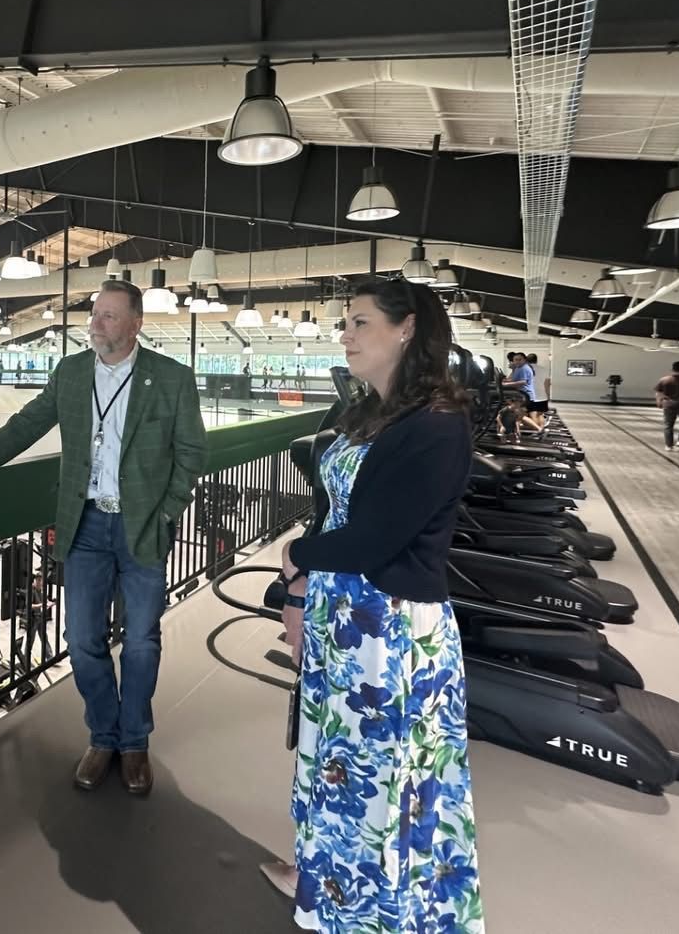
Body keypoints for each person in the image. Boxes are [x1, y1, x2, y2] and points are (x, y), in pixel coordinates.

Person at [0, 279, 206, 796]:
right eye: (94, 313)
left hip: (142, 525)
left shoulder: (171, 378)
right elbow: (26, 424)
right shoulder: (72, 372)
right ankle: (104, 736)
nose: (94, 323)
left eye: (107, 316)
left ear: (134, 325)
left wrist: (167, 513)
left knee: (143, 642)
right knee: (82, 642)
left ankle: (134, 744)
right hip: (85, 524)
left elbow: (191, 452)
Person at [278, 278, 482, 933]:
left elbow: (373, 539)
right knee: (338, 766)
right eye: (346, 322)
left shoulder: (436, 426)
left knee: (385, 782)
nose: (346, 334)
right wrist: (302, 590)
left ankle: (373, 915)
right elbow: (333, 510)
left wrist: (297, 560)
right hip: (348, 623)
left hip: (390, 635)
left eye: (360, 322)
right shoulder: (372, 412)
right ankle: (321, 883)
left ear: (406, 329)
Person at [20, 572, 53, 669]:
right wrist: (41, 605)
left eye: (41, 580)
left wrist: (50, 604)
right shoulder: (31, 591)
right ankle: (25, 660)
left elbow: (45, 601)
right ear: (34, 581)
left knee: (44, 637)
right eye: (38, 580)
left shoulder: (42, 590)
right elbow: (29, 605)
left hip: (40, 617)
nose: (39, 582)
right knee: (30, 640)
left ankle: (50, 657)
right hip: (33, 618)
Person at [503, 351, 542, 428]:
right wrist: (506, 381)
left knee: (519, 415)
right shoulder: (519, 368)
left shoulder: (524, 368)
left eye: (519, 359)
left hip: (524, 395)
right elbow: (515, 379)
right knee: (522, 414)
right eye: (515, 360)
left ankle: (539, 429)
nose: (517, 361)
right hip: (523, 394)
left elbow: (523, 382)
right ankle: (538, 428)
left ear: (524, 360)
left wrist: (506, 384)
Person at [526, 352, 550, 421]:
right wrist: (547, 396)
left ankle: (535, 426)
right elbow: (547, 384)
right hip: (542, 397)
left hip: (528, 397)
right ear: (536, 360)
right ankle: (540, 426)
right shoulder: (544, 369)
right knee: (540, 415)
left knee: (530, 415)